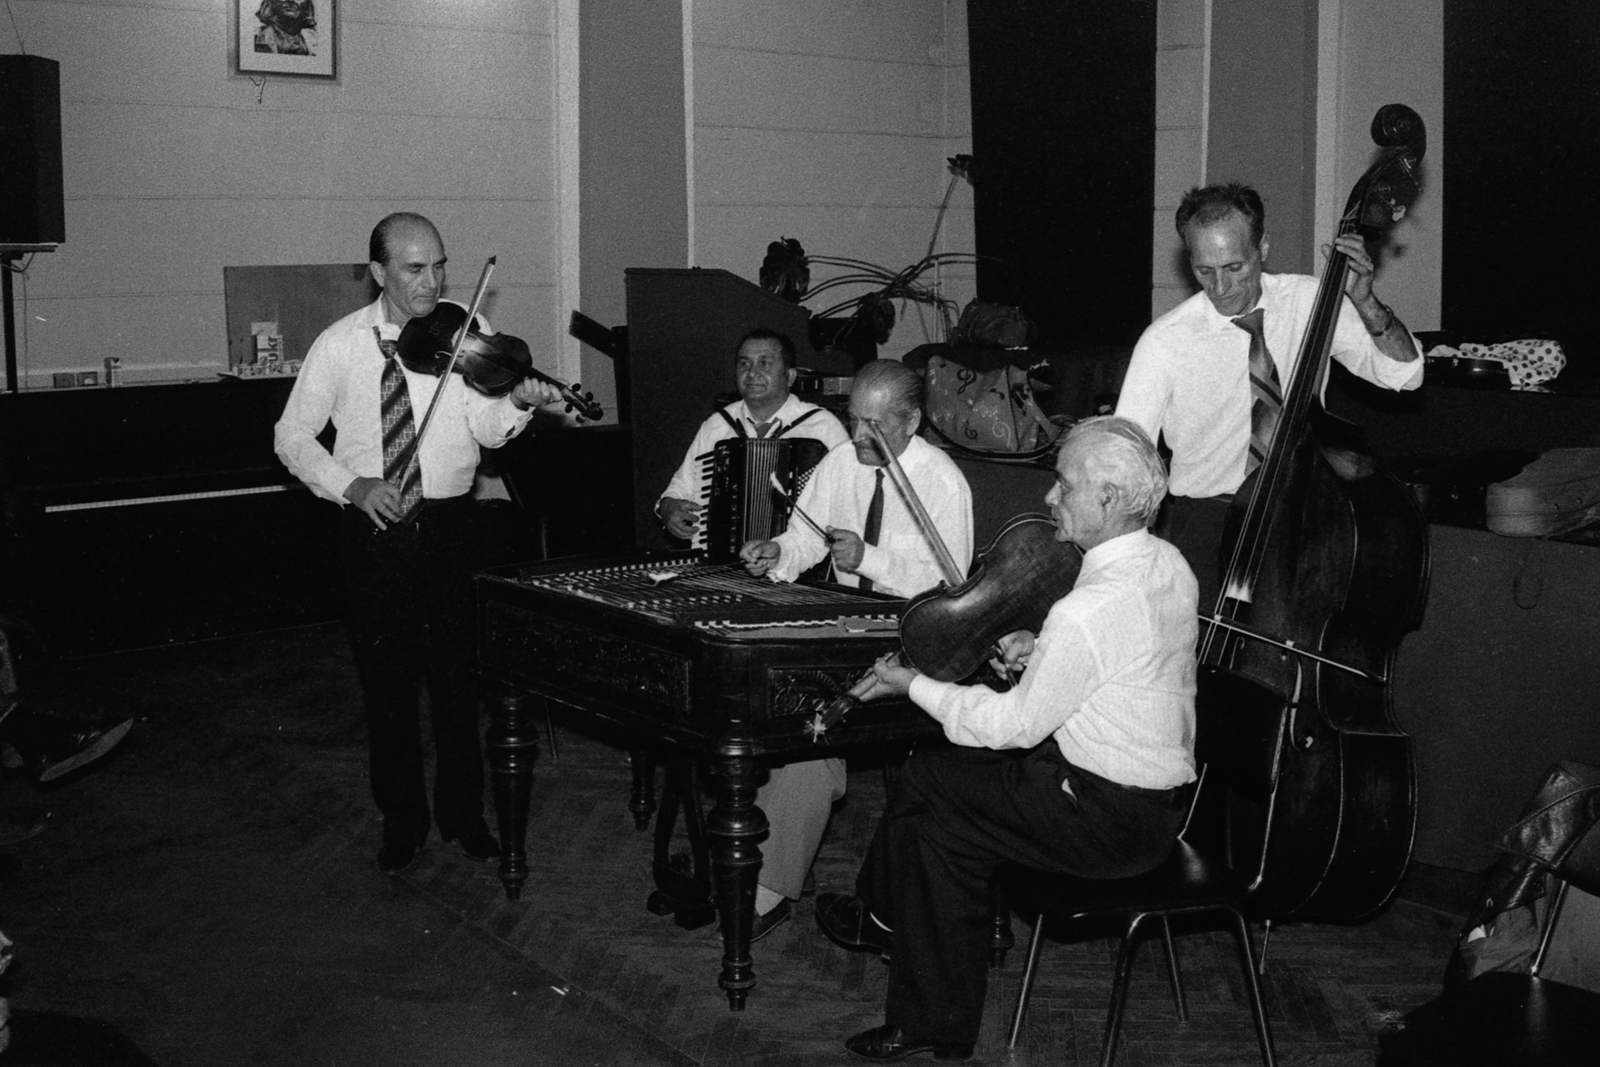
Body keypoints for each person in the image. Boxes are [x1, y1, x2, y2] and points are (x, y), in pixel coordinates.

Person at [812, 416, 1198, 1062]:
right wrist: (1041, 647)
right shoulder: (1167, 564)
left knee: (933, 790)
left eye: (1064, 484)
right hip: (1155, 809)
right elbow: (1122, 660)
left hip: (1104, 821)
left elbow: (1010, 727)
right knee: (938, 817)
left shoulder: (1088, 609)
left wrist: (913, 684)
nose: (1050, 496)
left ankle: (888, 931)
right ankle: (915, 982)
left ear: (1108, 498)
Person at [274, 212, 563, 875]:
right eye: (414, 268)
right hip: (375, 528)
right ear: (379, 272)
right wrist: (350, 485)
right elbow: (292, 435)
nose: (432, 282)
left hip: (453, 525)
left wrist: (518, 404)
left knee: (459, 679)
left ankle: (464, 815)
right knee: (389, 685)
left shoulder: (464, 331)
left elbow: (485, 427)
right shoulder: (339, 344)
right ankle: (402, 821)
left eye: (439, 266)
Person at [736, 359, 974, 941]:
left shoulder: (942, 482)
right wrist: (778, 554)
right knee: (760, 699)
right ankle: (759, 853)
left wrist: (870, 559)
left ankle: (767, 886)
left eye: (876, 425)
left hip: (914, 642)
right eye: (853, 420)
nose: (860, 436)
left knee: (812, 725)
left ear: (911, 421)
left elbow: (952, 594)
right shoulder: (841, 461)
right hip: (845, 627)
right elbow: (803, 538)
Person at [1116, 181, 1423, 606]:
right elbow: (1126, 459)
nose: (1220, 287)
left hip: (1301, 517)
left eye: (1234, 267)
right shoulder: (1163, 342)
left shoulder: (1310, 300)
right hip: (1207, 522)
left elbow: (1406, 374)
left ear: (1262, 248)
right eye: (1204, 271)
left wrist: (1366, 300)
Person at [655, 328, 849, 547]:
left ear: (790, 376)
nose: (752, 373)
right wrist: (668, 508)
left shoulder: (822, 427)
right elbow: (679, 488)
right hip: (729, 559)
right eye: (744, 364)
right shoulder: (717, 426)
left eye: (764, 364)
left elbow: (853, 498)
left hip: (804, 561)